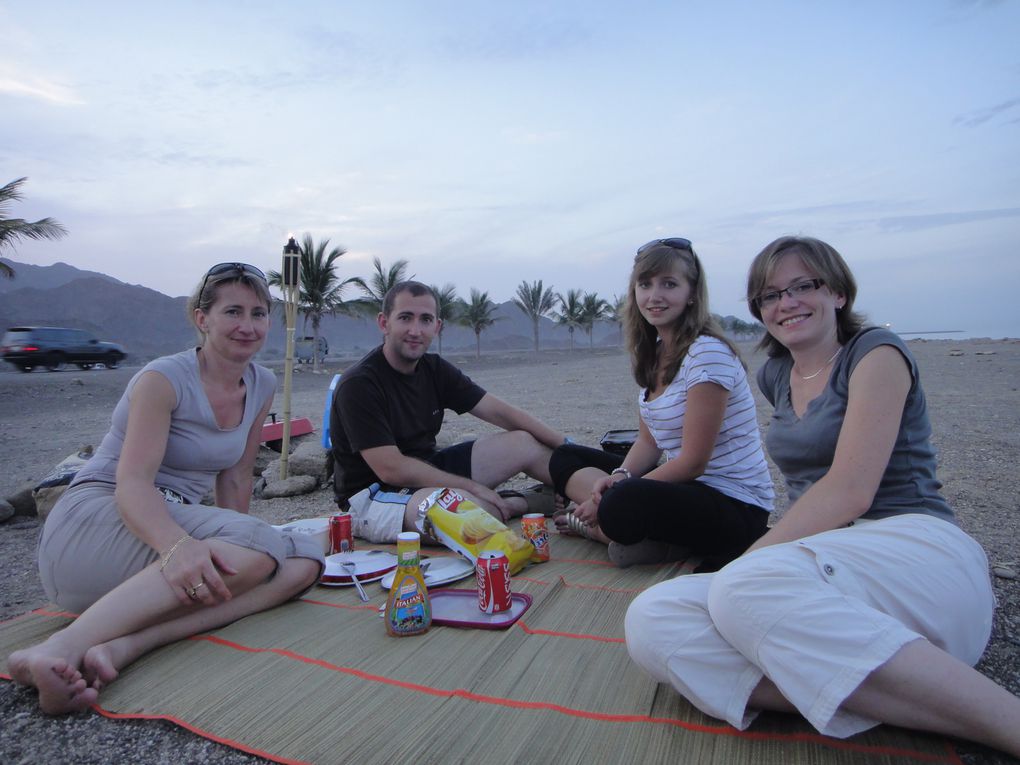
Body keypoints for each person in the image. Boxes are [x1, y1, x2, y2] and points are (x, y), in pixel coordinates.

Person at [625, 236, 1020, 755]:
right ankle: (896, 694)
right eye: (769, 296)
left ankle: (1002, 722)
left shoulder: (875, 353)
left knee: (738, 589)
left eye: (802, 286)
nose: (786, 303)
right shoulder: (776, 374)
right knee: (653, 618)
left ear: (837, 292)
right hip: (835, 564)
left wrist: (744, 565)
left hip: (915, 551)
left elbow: (850, 491)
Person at [8, 263, 324, 715]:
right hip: (96, 525)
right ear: (202, 318)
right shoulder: (163, 379)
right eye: (233, 311)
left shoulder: (262, 383)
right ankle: (58, 647)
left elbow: (235, 476)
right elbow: (131, 485)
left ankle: (126, 645)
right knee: (262, 543)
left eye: (258, 313)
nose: (248, 326)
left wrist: (245, 549)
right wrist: (177, 548)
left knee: (305, 560)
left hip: (156, 545)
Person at [548, 238, 774, 570]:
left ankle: (605, 530)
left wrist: (617, 491)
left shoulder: (706, 353)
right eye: (645, 284)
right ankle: (632, 533)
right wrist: (621, 474)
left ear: (692, 293)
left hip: (735, 506)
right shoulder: (654, 352)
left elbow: (693, 462)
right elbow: (648, 441)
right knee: (565, 456)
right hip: (686, 491)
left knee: (621, 502)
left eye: (669, 284)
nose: (655, 296)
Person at [330, 280, 565, 543]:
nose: (415, 330)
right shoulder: (359, 384)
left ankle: (584, 497)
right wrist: (471, 487)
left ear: (437, 327)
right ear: (384, 323)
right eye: (405, 318)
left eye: (426, 320)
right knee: (471, 519)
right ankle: (520, 502)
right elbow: (390, 469)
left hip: (427, 470)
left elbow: (501, 412)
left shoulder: (434, 369)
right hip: (374, 495)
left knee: (524, 442)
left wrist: (569, 448)